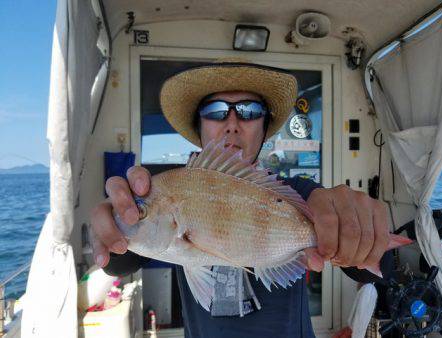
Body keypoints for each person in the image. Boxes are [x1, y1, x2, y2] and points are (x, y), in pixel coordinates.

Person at [90, 60, 391, 338]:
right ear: (199, 125)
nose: (232, 123)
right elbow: (120, 264)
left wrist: (360, 231)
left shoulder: (299, 194)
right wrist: (116, 227)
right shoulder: (169, 188)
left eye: (248, 111)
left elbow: (367, 264)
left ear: (264, 127)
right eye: (216, 111)